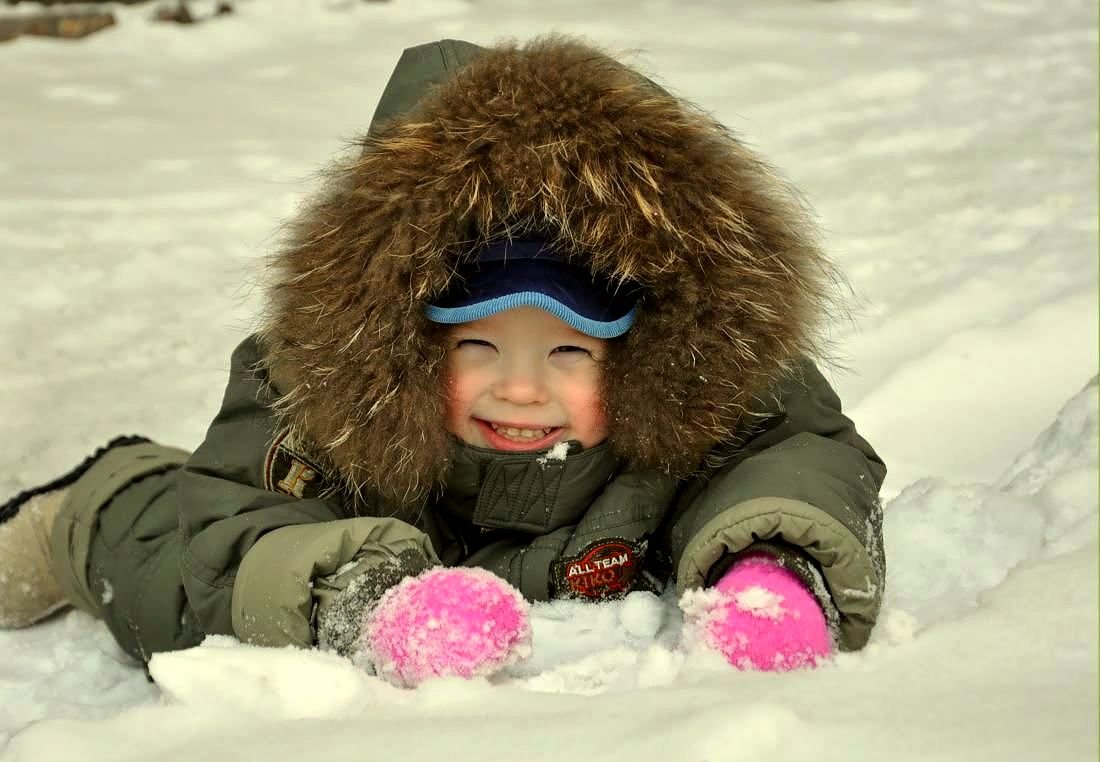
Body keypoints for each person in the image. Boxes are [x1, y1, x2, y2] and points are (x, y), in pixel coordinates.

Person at [0, 37, 886, 686]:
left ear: (643, 350)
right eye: (478, 345)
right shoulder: (326, 388)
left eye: (571, 351)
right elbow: (233, 530)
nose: (521, 386)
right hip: (176, 522)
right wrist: (364, 601)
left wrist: (771, 562)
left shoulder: (698, 381)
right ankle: (87, 506)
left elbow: (795, 451)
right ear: (410, 338)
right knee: (169, 595)